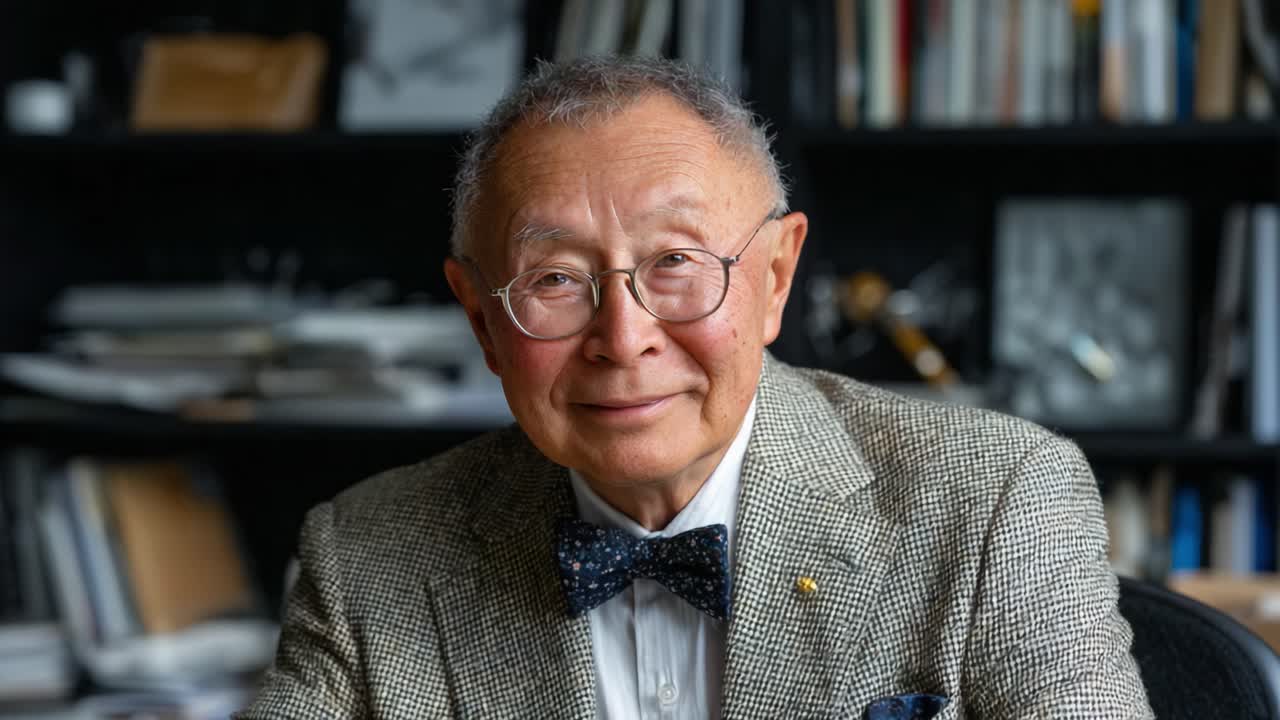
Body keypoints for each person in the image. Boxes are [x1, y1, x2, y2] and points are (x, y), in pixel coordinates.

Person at [236, 56, 1153, 719]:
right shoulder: (368, 554)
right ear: (481, 317)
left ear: (777, 278)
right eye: (555, 279)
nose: (624, 339)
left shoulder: (997, 502)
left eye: (676, 263)